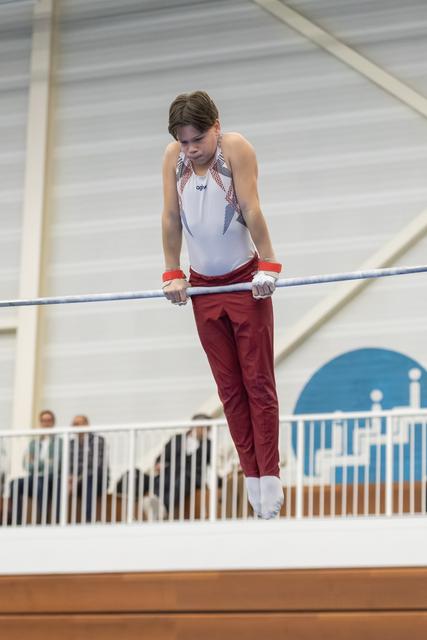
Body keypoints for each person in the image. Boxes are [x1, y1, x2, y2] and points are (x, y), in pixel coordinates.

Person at [161, 91, 284, 519]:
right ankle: (251, 475)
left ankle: (269, 473)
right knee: (230, 391)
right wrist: (171, 271)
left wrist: (268, 264)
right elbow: (171, 217)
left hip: (244, 281)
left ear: (216, 125)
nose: (190, 149)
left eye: (197, 140)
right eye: (183, 141)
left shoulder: (235, 148)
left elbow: (250, 206)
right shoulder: (172, 158)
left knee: (258, 383)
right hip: (204, 289)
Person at [8, 409, 62, 524]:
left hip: (51, 478)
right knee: (14, 484)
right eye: (43, 421)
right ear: (40, 423)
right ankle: (16, 521)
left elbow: (56, 465)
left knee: (39, 484)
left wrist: (36, 462)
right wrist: (45, 462)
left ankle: (41, 521)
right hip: (34, 477)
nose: (46, 423)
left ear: (53, 422)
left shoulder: (60, 442)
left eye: (49, 420)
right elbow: (26, 464)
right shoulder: (34, 443)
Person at [68, 415, 109, 523]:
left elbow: (95, 464)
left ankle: (88, 519)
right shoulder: (71, 444)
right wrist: (71, 476)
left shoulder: (98, 440)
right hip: (77, 480)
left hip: (97, 479)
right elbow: (69, 464)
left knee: (89, 478)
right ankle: (58, 519)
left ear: (86, 425)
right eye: (74, 424)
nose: (75, 427)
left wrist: (77, 476)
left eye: (78, 424)